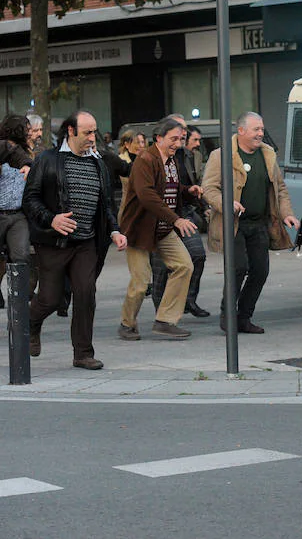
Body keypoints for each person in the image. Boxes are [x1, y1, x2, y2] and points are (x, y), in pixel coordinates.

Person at [24, 110, 127, 370]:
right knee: (50, 298)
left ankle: (83, 353)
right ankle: (29, 325)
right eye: (87, 132)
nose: (93, 137)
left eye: (94, 131)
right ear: (71, 131)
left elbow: (106, 206)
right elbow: (30, 199)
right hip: (53, 242)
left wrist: (114, 230)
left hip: (86, 243)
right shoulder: (47, 160)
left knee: (85, 294)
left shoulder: (98, 164)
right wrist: (52, 219)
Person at [203, 111, 300, 334]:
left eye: (262, 130)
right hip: (233, 224)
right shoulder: (222, 155)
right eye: (256, 130)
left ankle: (244, 317)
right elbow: (209, 189)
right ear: (241, 131)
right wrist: (228, 203)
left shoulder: (267, 155)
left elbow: (280, 188)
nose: (260, 134)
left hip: (259, 224)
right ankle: (227, 315)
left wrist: (287, 214)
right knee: (238, 268)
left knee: (260, 271)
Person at [118, 118, 202, 341]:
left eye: (180, 139)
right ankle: (127, 324)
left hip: (163, 228)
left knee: (184, 266)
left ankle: (165, 320)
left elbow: (169, 187)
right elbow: (148, 196)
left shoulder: (172, 159)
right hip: (139, 229)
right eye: (173, 139)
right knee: (141, 282)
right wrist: (176, 219)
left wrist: (187, 190)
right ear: (159, 138)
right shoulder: (145, 160)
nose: (177, 143)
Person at [150, 114, 209, 319]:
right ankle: (161, 315)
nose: (184, 134)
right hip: (158, 216)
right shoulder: (152, 157)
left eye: (184, 131)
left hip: (183, 212)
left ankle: (188, 300)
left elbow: (181, 185)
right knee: (160, 269)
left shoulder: (186, 155)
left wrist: (198, 200)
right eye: (179, 130)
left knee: (198, 254)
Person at [0, 115, 34, 310]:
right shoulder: (3, 147)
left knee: (21, 257)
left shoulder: (26, 153)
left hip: (18, 214)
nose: (29, 131)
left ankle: (18, 309)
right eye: (26, 128)